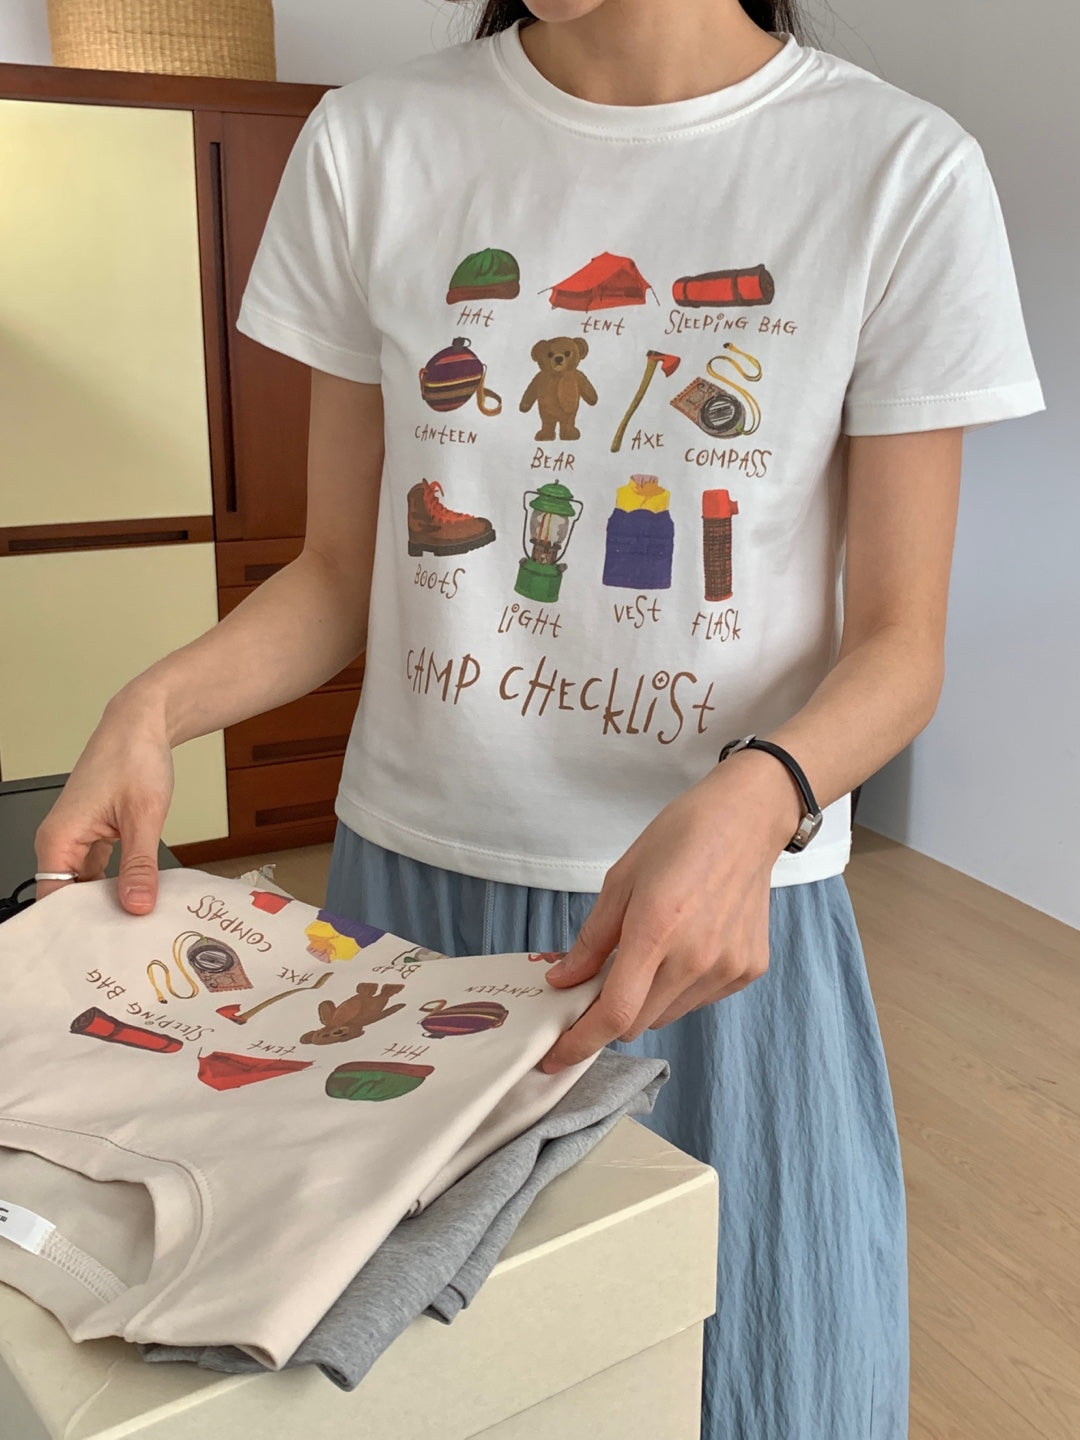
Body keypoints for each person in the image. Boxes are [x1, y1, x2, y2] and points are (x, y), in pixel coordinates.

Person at [35, 1, 1044, 1434]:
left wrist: (762, 792)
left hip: (716, 931)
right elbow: (340, 575)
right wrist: (153, 705)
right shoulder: (373, 145)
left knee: (746, 1377)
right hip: (411, 909)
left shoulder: (896, 167)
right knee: (438, 1386)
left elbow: (899, 645)